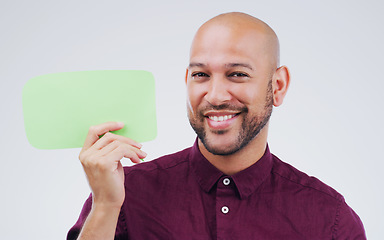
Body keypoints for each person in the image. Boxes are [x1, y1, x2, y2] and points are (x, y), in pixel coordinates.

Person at [67, 12, 366, 239]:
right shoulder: (120, 195)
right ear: (187, 82)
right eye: (201, 75)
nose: (215, 95)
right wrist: (105, 205)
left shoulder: (330, 218)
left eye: (237, 74)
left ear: (278, 86)